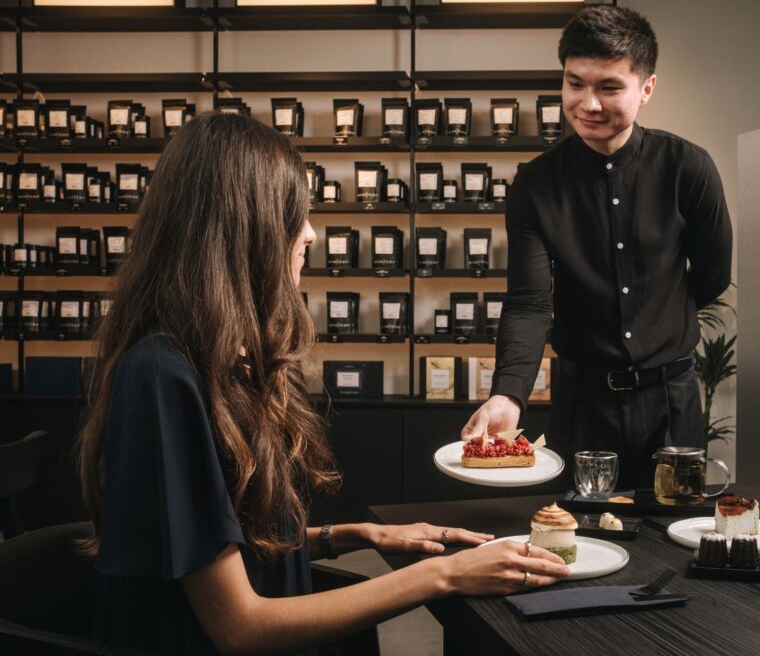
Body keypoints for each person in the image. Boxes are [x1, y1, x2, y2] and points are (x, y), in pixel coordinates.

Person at [77, 112, 569, 656]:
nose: (311, 233)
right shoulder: (163, 376)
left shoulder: (222, 360)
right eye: (296, 215)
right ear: (246, 225)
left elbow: (221, 547)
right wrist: (445, 576)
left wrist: (357, 535)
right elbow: (240, 627)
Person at [461, 6, 733, 490]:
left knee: (671, 536)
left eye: (609, 87)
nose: (588, 103)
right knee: (577, 538)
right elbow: (529, 302)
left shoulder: (688, 168)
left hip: (671, 400)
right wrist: (508, 395)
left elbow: (711, 276)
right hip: (582, 401)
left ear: (646, 89)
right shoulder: (535, 184)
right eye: (574, 84)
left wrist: (660, 321)